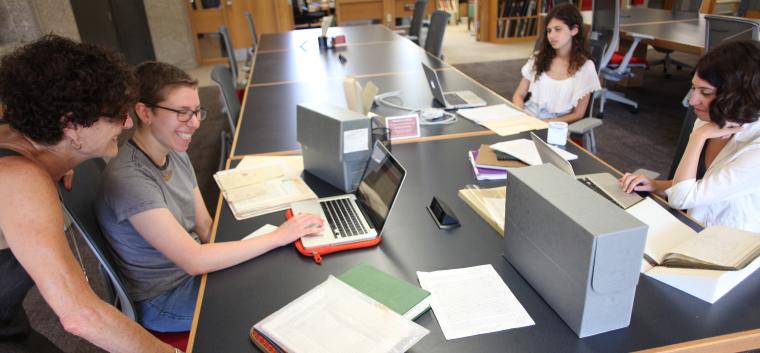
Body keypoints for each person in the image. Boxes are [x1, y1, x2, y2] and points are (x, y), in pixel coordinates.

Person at [96, 62, 324, 333]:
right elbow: (193, 260)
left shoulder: (174, 150)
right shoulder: (130, 180)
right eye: (182, 113)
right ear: (145, 112)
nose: (193, 124)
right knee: (279, 298)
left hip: (193, 273)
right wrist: (278, 236)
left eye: (196, 112)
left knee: (279, 272)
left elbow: (205, 227)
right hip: (164, 298)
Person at [0, 36, 176, 352]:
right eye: (116, 115)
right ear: (70, 126)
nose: (126, 124)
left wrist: (61, 160)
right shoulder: (21, 179)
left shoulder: (16, 135)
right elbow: (81, 316)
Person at [620, 40, 760, 232]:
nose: (692, 100)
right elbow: (694, 186)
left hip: (731, 246)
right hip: (695, 227)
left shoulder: (754, 149)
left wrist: (698, 137)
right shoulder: (709, 119)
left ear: (737, 95)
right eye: (693, 88)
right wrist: (654, 185)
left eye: (705, 92)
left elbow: (682, 198)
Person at [512, 3, 601, 123]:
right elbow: (519, 94)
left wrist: (548, 122)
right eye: (549, 31)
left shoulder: (585, 67)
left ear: (574, 30)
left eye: (558, 29)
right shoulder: (539, 57)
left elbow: (578, 114)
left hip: (556, 124)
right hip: (528, 115)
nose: (551, 36)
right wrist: (521, 113)